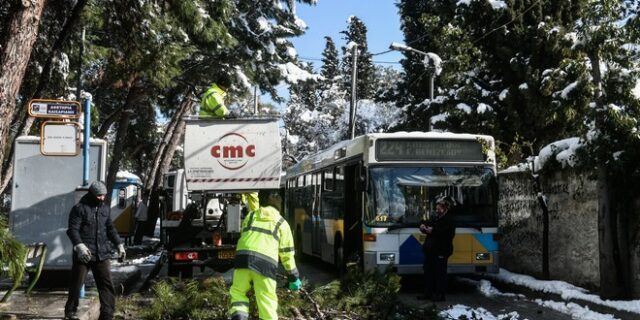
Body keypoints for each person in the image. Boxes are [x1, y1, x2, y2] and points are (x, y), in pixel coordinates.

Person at [228, 190, 301, 320]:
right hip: (265, 264)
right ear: (279, 207)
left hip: (243, 258)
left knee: (238, 292)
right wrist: (293, 276)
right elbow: (287, 254)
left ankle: (239, 316)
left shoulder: (251, 216)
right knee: (267, 300)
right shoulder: (282, 223)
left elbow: (244, 235)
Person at [65, 181, 126, 320]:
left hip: (102, 254)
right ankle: (70, 311)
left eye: (104, 195)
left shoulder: (105, 209)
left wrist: (119, 245)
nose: (102, 198)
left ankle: (107, 314)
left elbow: (110, 229)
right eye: (99, 196)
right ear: (91, 194)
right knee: (76, 284)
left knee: (106, 285)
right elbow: (72, 230)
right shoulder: (79, 208)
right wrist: (79, 246)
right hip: (84, 254)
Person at [419, 195, 455, 302]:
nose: (437, 209)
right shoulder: (436, 217)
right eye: (437, 207)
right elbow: (428, 224)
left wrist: (433, 231)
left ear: (445, 208)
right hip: (430, 251)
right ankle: (428, 294)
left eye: (439, 208)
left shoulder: (449, 219)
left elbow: (448, 234)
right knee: (428, 273)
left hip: (441, 251)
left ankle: (440, 295)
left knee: (440, 274)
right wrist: (422, 226)